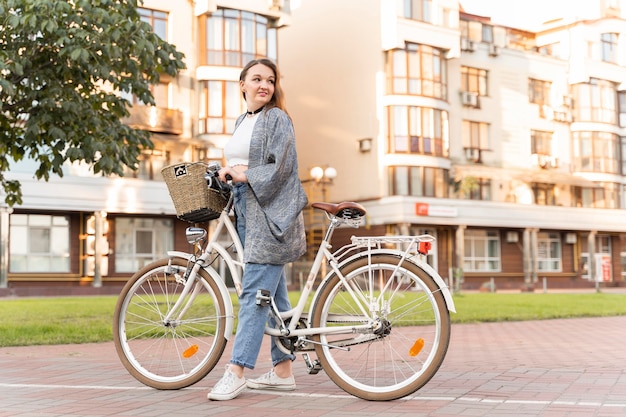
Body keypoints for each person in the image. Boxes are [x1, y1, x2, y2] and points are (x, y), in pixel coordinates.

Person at [207, 59, 308, 401]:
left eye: (270, 79)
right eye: (257, 79)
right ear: (243, 85)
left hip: (270, 214)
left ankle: (236, 370)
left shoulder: (276, 117)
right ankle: (283, 371)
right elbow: (243, 162)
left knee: (254, 293)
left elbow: (282, 167)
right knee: (273, 295)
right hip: (246, 207)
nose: (264, 84)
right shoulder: (243, 121)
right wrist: (228, 171)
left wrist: (245, 174)